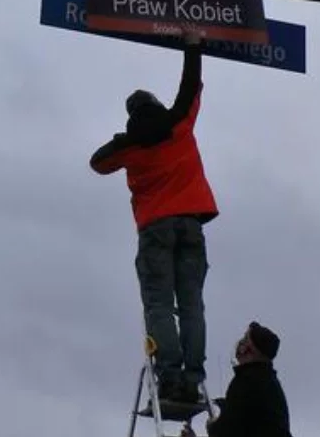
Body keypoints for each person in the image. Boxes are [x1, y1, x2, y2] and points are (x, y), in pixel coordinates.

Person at [89, 28, 218, 405]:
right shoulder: (179, 124)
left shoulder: (129, 150)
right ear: (157, 105)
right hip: (191, 224)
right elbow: (191, 87)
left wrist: (124, 139)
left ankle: (171, 376)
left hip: (155, 229)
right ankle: (193, 377)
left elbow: (97, 163)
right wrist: (193, 45)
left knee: (159, 304)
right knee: (192, 303)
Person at [207, 322, 292, 437]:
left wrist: (213, 427)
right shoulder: (268, 382)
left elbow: (227, 432)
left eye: (245, 339)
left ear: (253, 350)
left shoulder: (246, 382)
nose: (240, 342)